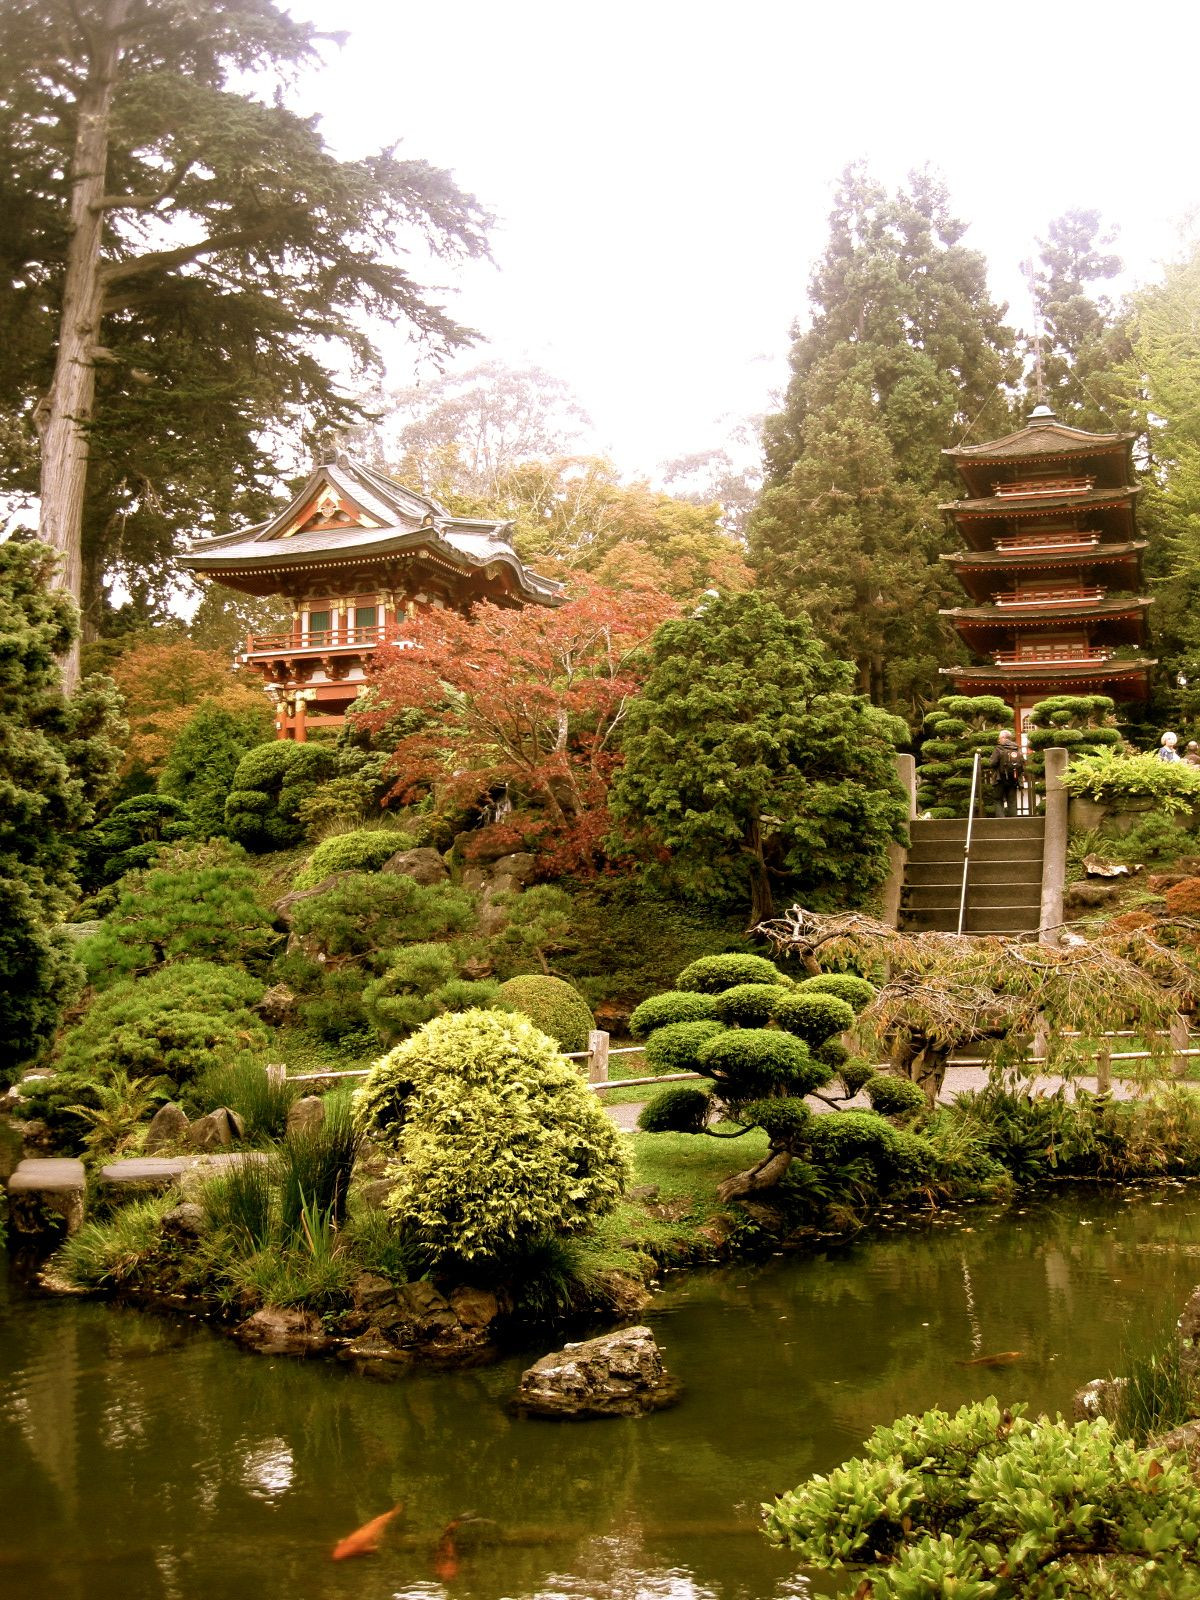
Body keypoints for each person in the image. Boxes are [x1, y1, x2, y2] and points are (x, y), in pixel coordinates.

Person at [988, 729, 1025, 818]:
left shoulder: (999, 748)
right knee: (1012, 801)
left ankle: (1001, 822)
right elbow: (1022, 764)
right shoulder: (1016, 749)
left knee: (998, 799)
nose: (999, 740)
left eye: (999, 738)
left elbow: (992, 763)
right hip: (1013, 778)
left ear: (1004, 738)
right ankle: (1013, 823)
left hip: (1000, 779)